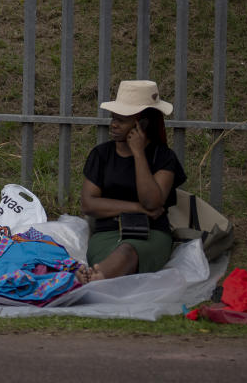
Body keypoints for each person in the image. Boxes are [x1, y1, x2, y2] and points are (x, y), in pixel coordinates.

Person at [77, 80, 186, 283]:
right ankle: (100, 276)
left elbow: (153, 202)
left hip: (150, 234)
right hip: (107, 233)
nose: (113, 125)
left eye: (121, 120)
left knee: (128, 251)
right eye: (113, 118)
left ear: (142, 124)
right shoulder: (102, 155)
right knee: (116, 252)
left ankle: (96, 277)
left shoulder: (163, 156)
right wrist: (138, 208)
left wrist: (138, 153)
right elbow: (88, 204)